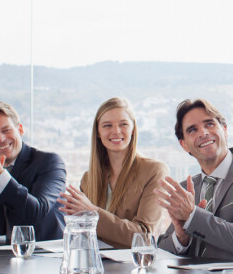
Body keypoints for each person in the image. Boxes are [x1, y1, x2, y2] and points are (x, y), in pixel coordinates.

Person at [155, 99, 233, 260]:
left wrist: (193, 216)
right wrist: (181, 238)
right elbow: (162, 250)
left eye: (209, 124)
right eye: (192, 130)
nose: (203, 133)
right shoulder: (186, 189)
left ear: (224, 130)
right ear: (184, 145)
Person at [57, 97, 169, 249]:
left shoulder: (154, 171)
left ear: (133, 128)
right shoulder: (88, 178)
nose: (116, 131)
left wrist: (93, 213)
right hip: (95, 264)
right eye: (107, 125)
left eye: (123, 124)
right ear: (98, 132)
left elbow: (144, 237)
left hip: (132, 266)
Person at [0, 101, 67, 242]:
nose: (0, 138)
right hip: (3, 256)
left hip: (45, 255)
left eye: (6, 130)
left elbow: (36, 212)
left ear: (20, 129)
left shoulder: (50, 162)